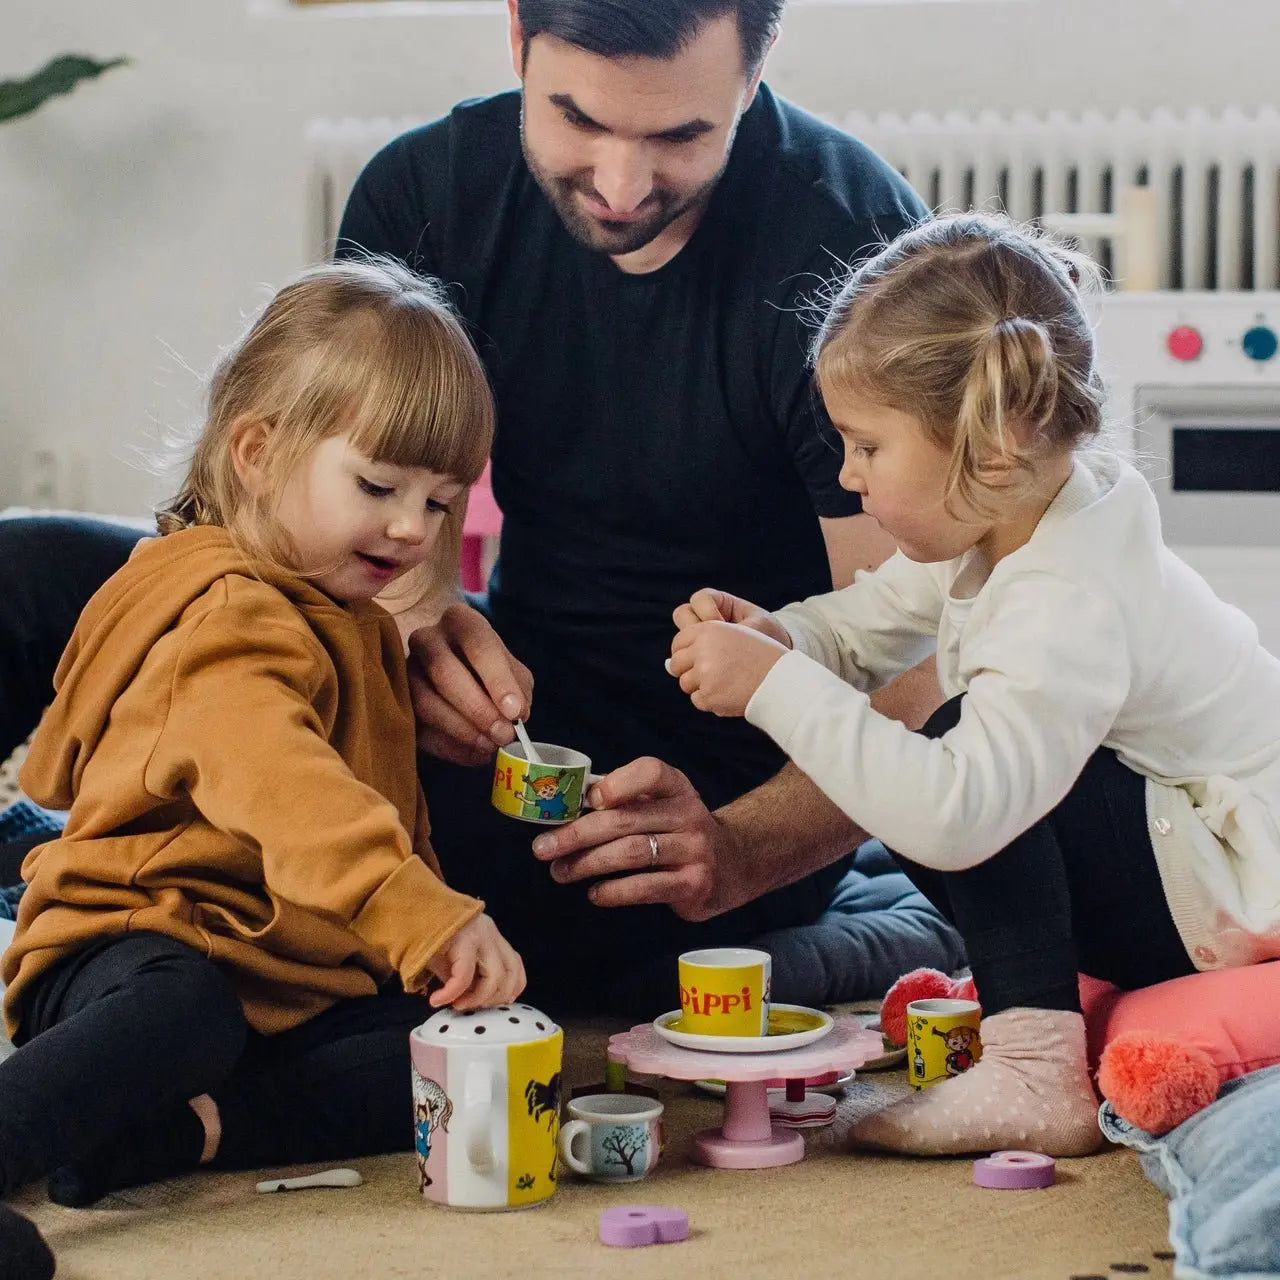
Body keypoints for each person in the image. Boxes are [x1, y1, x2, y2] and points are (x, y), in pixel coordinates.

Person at [0, 0, 964, 1017]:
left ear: (756, 71)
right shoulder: (426, 193)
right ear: (515, 36)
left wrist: (739, 850)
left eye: (680, 135)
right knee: (30, 577)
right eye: (577, 120)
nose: (622, 183)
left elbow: (917, 660)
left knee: (544, 968)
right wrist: (413, 620)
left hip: (716, 784)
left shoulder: (853, 252)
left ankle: (869, 923)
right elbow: (345, 527)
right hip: (491, 708)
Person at [667, 211, 1280, 1158]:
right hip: (1184, 848)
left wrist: (777, 687)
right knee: (956, 746)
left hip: (1230, 896)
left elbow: (960, 817)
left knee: (952, 754)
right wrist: (782, 633)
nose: (847, 474)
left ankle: (1038, 1070)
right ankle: (1040, 992)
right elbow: (877, 617)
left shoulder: (1066, 598)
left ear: (990, 438)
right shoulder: (1019, 506)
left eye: (867, 446)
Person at [0, 256, 525, 1254]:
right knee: (184, 1011)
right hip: (129, 944)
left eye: (440, 498)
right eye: (378, 485)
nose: (414, 528)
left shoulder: (339, 605)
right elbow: (291, 791)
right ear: (255, 452)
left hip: (274, 962)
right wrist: (422, 911)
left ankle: (172, 1132)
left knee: (430, 1059)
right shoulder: (228, 616)